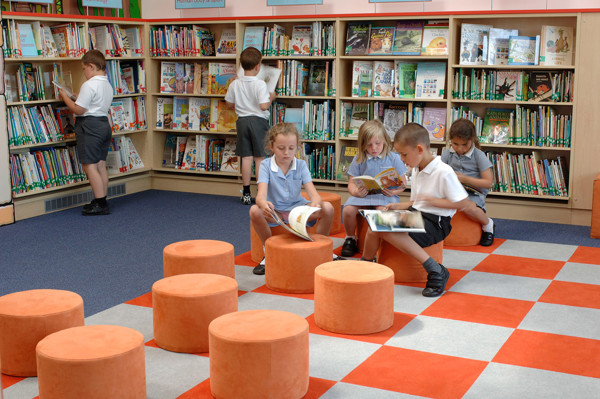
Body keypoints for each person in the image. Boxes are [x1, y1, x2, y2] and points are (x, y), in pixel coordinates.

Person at [361, 123, 470, 297]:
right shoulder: (418, 169)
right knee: (375, 223)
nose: (402, 160)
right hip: (417, 216)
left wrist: (434, 201)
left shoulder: (444, 171)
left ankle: (436, 270)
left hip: (436, 223)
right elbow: (417, 202)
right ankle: (365, 264)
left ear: (419, 149)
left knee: (386, 230)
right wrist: (396, 206)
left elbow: (463, 202)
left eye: (404, 155)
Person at [249, 123, 335, 275]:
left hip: (298, 210)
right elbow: (260, 195)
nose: (287, 153)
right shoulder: (265, 165)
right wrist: (263, 204)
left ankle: (321, 248)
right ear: (271, 146)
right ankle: (268, 251)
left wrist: (316, 202)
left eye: (291, 148)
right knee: (254, 211)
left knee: (327, 207)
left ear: (297, 147)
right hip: (275, 211)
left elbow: (313, 192)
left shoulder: (301, 165)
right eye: (281, 148)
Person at [340, 120, 407, 257]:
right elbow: (351, 183)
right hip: (363, 196)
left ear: (385, 140)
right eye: (369, 145)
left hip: (385, 196)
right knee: (347, 210)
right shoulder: (359, 158)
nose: (374, 148)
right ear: (362, 144)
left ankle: (380, 242)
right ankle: (350, 238)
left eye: (378, 143)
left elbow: (403, 184)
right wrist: (355, 192)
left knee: (382, 213)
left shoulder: (394, 158)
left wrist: (394, 191)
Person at [58, 49, 113, 215]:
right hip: (103, 124)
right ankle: (101, 199)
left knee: (90, 165)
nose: (84, 72)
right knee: (100, 164)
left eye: (84, 69)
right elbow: (92, 103)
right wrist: (75, 95)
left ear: (91, 66)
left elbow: (79, 110)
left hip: (89, 125)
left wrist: (65, 97)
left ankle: (100, 203)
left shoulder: (89, 85)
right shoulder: (106, 84)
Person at [225, 47, 276, 205]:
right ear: (258, 67)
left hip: (242, 121)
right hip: (258, 121)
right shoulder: (260, 84)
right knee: (260, 157)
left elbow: (228, 104)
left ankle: (246, 192)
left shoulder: (235, 84)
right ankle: (261, 193)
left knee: (246, 157)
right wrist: (271, 97)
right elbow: (263, 106)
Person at [441, 118, 495, 246]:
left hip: (474, 194)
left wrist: (465, 179)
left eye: (464, 144)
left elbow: (488, 183)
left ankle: (488, 225)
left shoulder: (479, 155)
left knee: (467, 207)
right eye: (455, 144)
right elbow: (440, 173)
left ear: (472, 140)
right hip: (452, 192)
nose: (459, 148)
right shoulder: (447, 153)